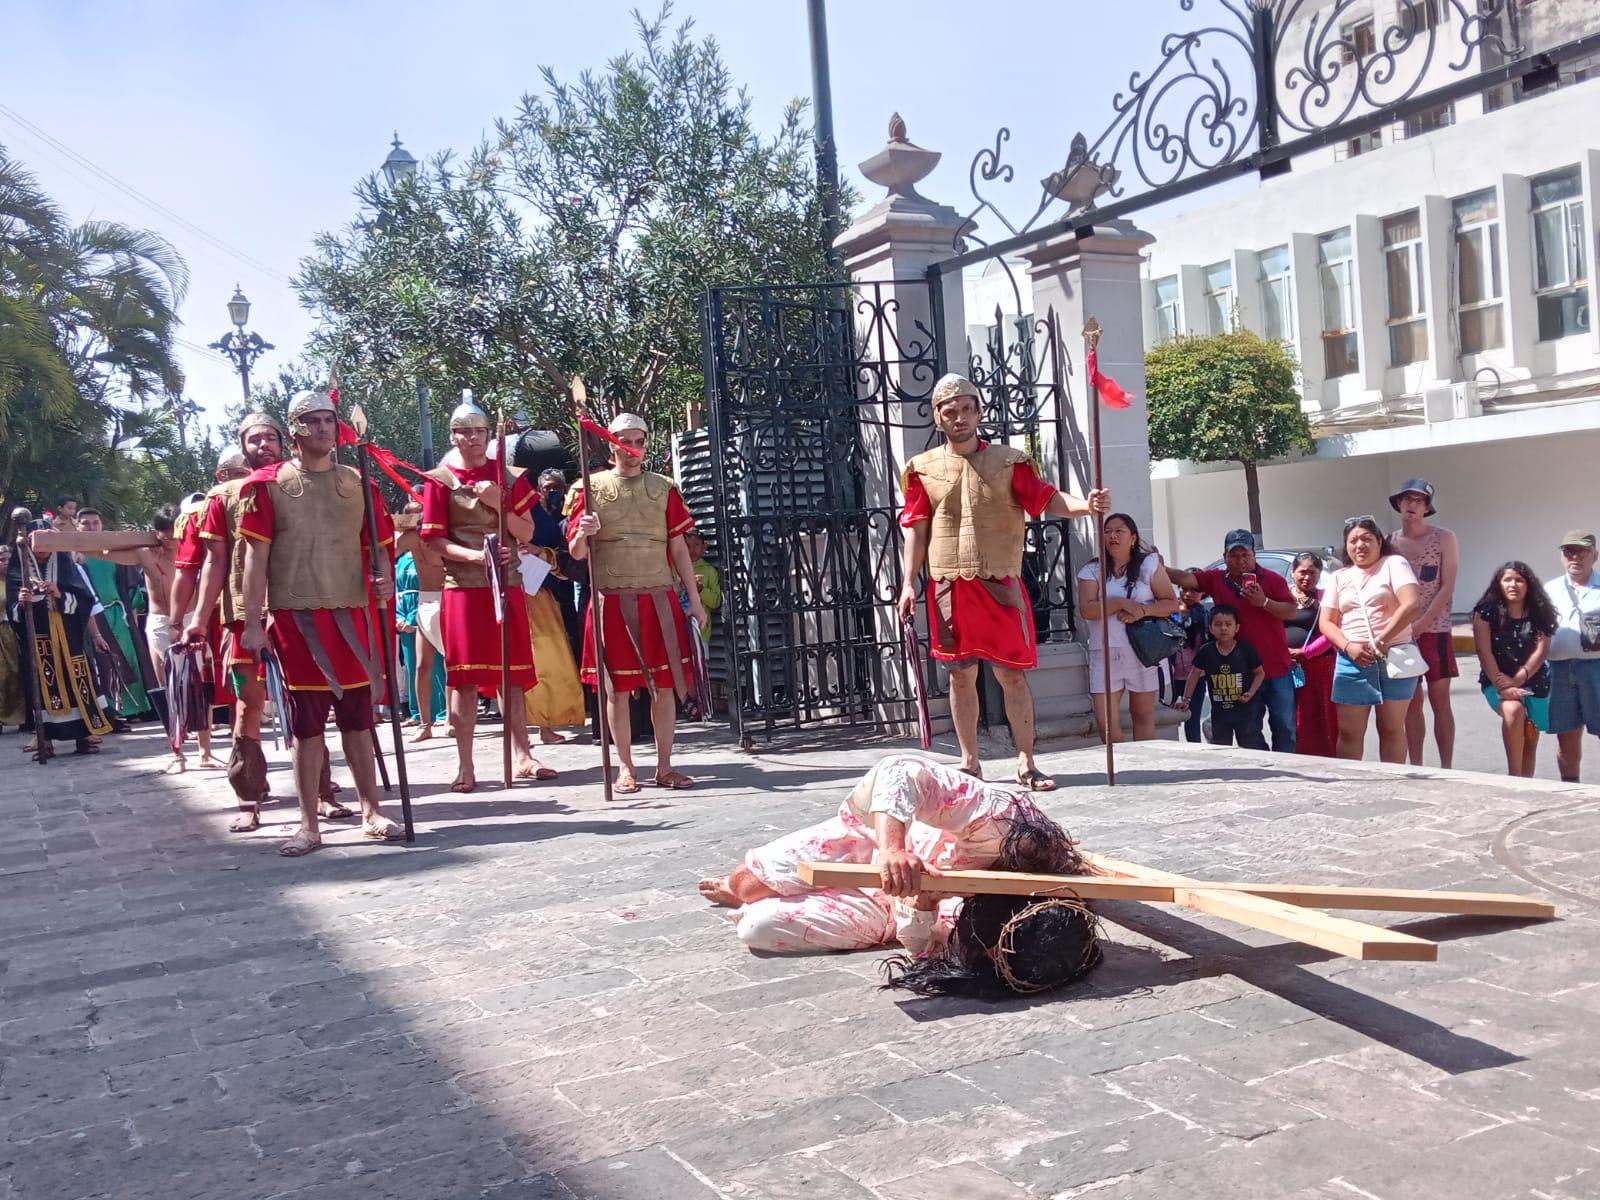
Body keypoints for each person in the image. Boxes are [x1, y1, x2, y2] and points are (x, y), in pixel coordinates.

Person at [697, 753, 1101, 995]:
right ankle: (747, 889)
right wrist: (894, 849)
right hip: (873, 840)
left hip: (888, 907)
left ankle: (778, 898)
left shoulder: (999, 952)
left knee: (759, 927)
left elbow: (921, 944)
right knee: (745, 884)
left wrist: (922, 907)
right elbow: (899, 770)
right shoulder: (1002, 822)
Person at [896, 374, 1109, 790]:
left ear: (978, 411)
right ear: (939, 417)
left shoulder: (1010, 460)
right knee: (960, 675)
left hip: (1000, 578)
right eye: (950, 411)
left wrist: (1086, 506)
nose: (959, 418)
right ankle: (970, 762)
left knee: (1011, 675)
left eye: (966, 409)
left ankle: (1027, 763)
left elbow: (1046, 499)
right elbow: (915, 529)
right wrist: (908, 582)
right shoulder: (922, 470)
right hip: (948, 582)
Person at [238, 388, 403, 856]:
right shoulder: (267, 486)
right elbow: (256, 558)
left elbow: (378, 547)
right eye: (311, 421)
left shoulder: (360, 484)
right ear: (294, 431)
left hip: (351, 613)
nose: (322, 429)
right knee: (308, 724)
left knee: (358, 716)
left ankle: (371, 810)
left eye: (328, 420)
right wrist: (253, 621)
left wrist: (385, 579)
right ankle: (309, 823)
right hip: (296, 618)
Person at [187, 415, 323, 831]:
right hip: (244, 616)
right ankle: (249, 796)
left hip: (299, 609)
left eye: (270, 436)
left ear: (284, 441)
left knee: (310, 700)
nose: (263, 444)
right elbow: (214, 561)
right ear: (242, 446)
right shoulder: (225, 496)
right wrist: (196, 618)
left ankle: (322, 791)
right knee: (248, 704)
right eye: (254, 438)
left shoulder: (302, 484)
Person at [568, 412, 709, 794]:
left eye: (638, 441)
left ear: (646, 444)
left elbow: (678, 548)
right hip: (612, 600)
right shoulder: (589, 488)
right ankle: (626, 768)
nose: (632, 450)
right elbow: (577, 553)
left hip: (657, 597)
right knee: (616, 689)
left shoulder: (664, 488)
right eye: (624, 441)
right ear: (611, 444)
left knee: (664, 687)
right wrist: (585, 532)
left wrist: (694, 600)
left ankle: (664, 766)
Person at [421, 397, 554, 791]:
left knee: (510, 677)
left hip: (508, 584)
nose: (472, 438)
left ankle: (524, 755)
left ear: (487, 435)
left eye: (478, 431)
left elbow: (528, 533)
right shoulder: (439, 480)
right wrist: (478, 557)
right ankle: (466, 766)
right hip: (463, 587)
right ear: (454, 436)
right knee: (463, 679)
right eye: (464, 431)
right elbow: (435, 542)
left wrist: (499, 503)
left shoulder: (510, 478)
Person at [1169, 531, 1297, 753]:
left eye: (1245, 554)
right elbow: (1185, 579)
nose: (1240, 560)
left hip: (1276, 668)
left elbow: (1291, 612)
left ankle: (1288, 765)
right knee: (1250, 729)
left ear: (1254, 555)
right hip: (1241, 672)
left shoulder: (1273, 580)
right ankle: (1263, 769)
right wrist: (1155, 564)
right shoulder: (1217, 579)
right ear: (1225, 556)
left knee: (1284, 726)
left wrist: (1264, 601)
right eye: (1234, 555)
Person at [1318, 516, 1422, 763]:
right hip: (1352, 660)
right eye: (1353, 540)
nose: (1359, 545)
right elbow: (1326, 622)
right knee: (1349, 732)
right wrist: (1348, 646)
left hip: (1395, 655)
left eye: (1366, 538)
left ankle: (1393, 783)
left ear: (1379, 541)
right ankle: (1354, 786)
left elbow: (1411, 604)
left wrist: (1382, 639)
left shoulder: (1394, 564)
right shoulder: (1339, 577)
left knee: (1391, 729)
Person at [6, 524, 112, 755]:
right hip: (39, 643)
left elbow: (85, 602)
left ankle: (84, 735)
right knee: (41, 686)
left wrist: (61, 594)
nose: (42, 549)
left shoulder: (67, 567)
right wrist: (22, 603)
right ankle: (45, 740)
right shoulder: (18, 571)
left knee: (78, 683)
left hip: (69, 639)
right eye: (37, 543)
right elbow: (13, 612)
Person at [1075, 512, 1178, 743]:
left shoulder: (1149, 564)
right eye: (1108, 531)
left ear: (1132, 538)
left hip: (1143, 650)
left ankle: (1145, 768)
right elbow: (1087, 609)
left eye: (1119, 531)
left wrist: (1142, 611)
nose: (1112, 535)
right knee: (1107, 724)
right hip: (1105, 651)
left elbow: (1171, 603)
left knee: (1142, 714)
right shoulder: (1091, 570)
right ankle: (1122, 769)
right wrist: (1120, 603)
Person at [1389, 479, 1458, 768]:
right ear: (1399, 504)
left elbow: (1448, 584)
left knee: (1440, 702)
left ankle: (1447, 766)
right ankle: (1416, 764)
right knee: (1411, 704)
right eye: (1408, 499)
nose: (1413, 505)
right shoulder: (1390, 542)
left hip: (1436, 630)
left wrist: (1424, 621)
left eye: (1419, 501)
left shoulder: (1444, 538)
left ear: (1427, 507)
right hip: (1403, 635)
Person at [1472, 561, 1556, 778]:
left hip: (1534, 681)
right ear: (1498, 583)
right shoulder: (1485, 613)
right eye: (1507, 579)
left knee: (1530, 737)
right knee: (1513, 710)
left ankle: (1526, 783)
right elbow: (1484, 651)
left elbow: (1541, 652)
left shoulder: (1540, 613)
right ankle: (1514, 778)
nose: (1513, 584)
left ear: (1529, 585)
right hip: (1496, 680)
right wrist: (1502, 684)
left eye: (1519, 579)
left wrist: (1517, 681)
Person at [74, 508, 149, 723]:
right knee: (101, 663)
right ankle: (108, 712)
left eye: (95, 523)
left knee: (127, 657)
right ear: (77, 526)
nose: (91, 527)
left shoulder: (113, 553)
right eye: (85, 523)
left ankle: (134, 709)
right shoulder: (73, 557)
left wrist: (133, 624)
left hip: (118, 613)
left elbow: (131, 588)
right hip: (90, 617)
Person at [1544, 530, 1600, 783]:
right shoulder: (1549, 589)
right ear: (1562, 556)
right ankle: (1571, 787)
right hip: (1558, 669)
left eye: (1581, 551)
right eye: (1569, 551)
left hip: (1596, 668)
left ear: (1594, 555)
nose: (1574, 556)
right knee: (1566, 734)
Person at [395, 502, 449, 742]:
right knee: (421, 666)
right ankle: (425, 723)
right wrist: (406, 525)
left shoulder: (447, 535)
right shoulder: (414, 538)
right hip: (425, 602)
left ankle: (449, 719)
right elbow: (388, 548)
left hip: (447, 598)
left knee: (451, 665)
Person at [1176, 604, 1265, 748]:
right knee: (1222, 749)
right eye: (1218, 624)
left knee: (1250, 748)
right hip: (1219, 714)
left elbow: (1260, 673)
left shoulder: (1246, 649)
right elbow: (1194, 674)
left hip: (1246, 713)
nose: (1223, 628)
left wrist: (1251, 692)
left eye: (1228, 624)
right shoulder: (1206, 651)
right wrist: (1186, 699)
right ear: (1210, 628)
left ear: (1236, 628)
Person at [1285, 551, 1338, 758]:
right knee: (1292, 714)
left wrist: (1306, 652)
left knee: (1323, 714)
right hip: (1287, 666)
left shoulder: (1325, 598)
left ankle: (1329, 756)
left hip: (1320, 665)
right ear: (1293, 572)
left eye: (1312, 573)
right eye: (1302, 572)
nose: (1307, 577)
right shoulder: (1282, 597)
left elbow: (1332, 631)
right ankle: (1297, 755)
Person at [0, 545, 24, 731]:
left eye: (8, 559)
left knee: (18, 674)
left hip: (15, 631)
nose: (5, 563)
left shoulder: (17, 580)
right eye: (1, 560)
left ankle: (22, 716)